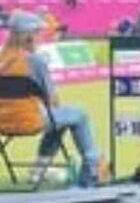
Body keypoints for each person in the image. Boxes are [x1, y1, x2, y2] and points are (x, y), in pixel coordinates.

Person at [0, 10, 103, 186]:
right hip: (30, 121)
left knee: (59, 120)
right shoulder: (35, 61)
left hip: (2, 123)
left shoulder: (2, 58)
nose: (41, 37)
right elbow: (52, 100)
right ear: (29, 37)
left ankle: (39, 171)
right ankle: (92, 167)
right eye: (38, 33)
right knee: (78, 115)